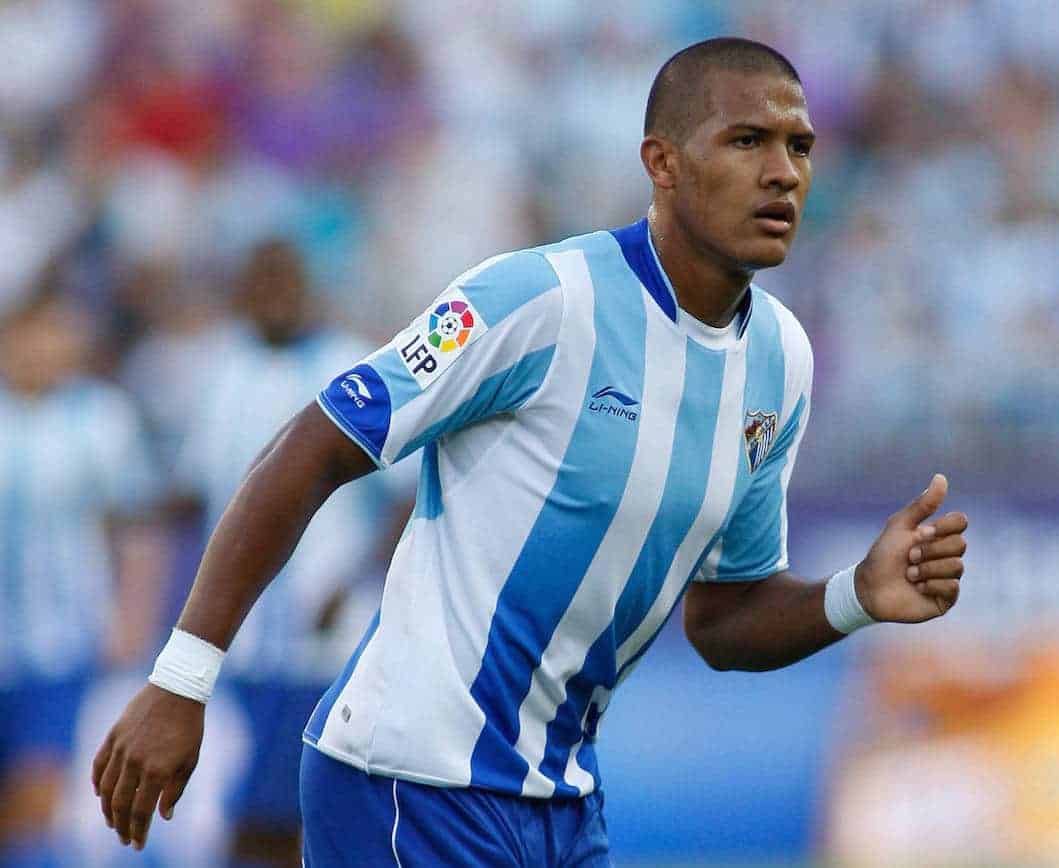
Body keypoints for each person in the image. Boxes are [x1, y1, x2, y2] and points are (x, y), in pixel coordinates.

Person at [92, 37, 969, 866]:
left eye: (800, 146)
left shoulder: (782, 361)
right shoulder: (537, 300)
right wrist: (181, 679)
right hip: (407, 779)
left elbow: (723, 617)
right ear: (661, 163)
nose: (783, 172)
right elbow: (314, 446)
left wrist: (857, 595)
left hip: (560, 801)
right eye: (746, 140)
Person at [172, 239, 415, 867]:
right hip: (241, 647)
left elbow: (401, 496)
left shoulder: (347, 364)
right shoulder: (218, 371)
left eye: (286, 279)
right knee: (242, 814)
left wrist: (352, 581)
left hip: (326, 645)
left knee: (311, 812)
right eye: (262, 279)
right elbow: (202, 496)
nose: (275, 294)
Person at [0, 288, 165, 865]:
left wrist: (132, 618)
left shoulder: (100, 418)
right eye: (30, 333)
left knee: (35, 796)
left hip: (59, 646)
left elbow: (138, 529)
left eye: (56, 332)